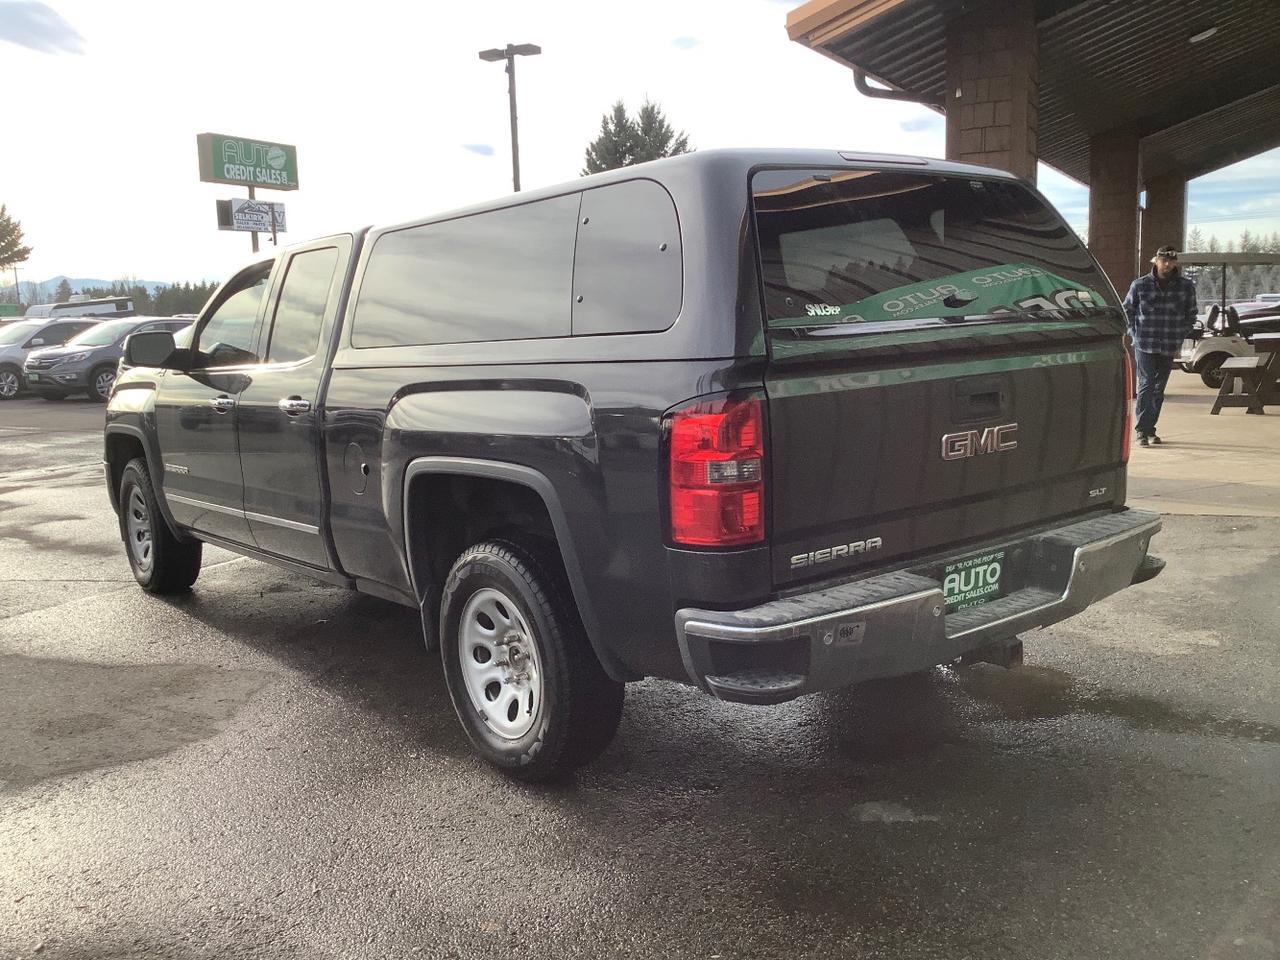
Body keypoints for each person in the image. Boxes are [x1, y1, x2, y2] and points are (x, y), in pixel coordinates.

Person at [1122, 245, 1198, 446]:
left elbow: (1191, 314)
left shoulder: (1185, 286)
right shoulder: (1140, 285)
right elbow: (1127, 310)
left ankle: (1151, 429)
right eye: (1163, 260)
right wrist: (1133, 333)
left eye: (1171, 261)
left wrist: (1181, 334)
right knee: (1146, 385)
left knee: (1159, 389)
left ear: (1175, 263)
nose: (1167, 264)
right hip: (1144, 343)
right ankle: (1141, 431)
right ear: (1155, 261)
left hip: (1169, 344)